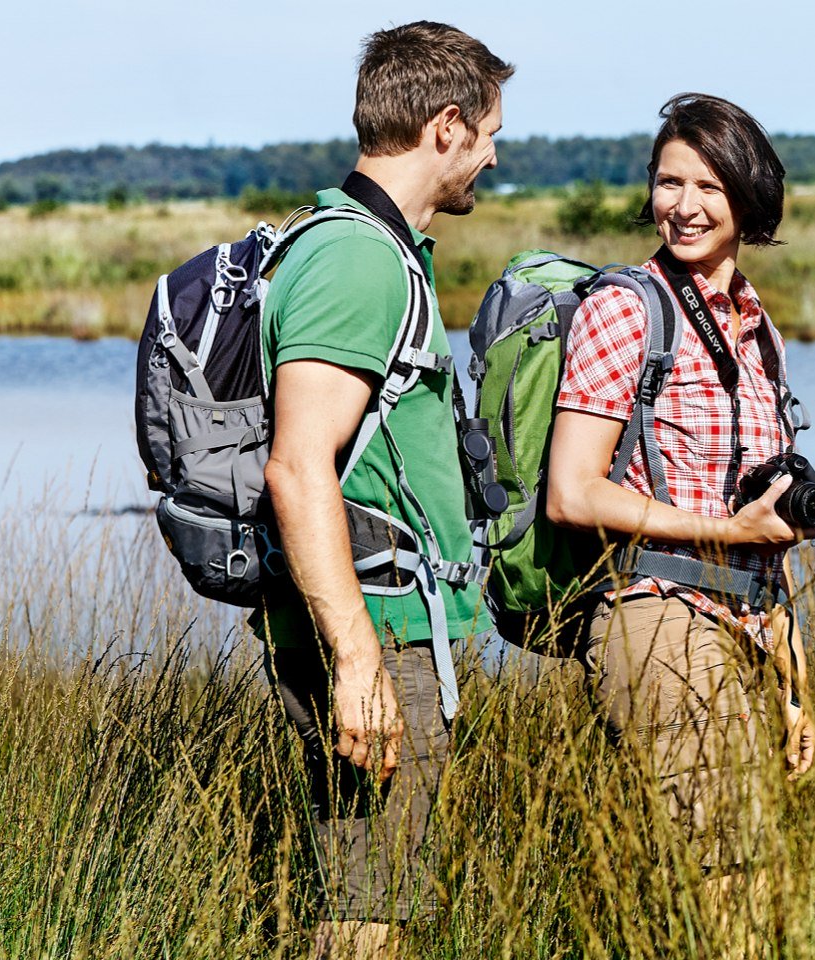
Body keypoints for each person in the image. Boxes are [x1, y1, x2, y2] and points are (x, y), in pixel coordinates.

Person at [256, 21, 510, 959]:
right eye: (487, 132)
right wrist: (358, 662)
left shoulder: (378, 247)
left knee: (378, 901)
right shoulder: (358, 257)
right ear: (447, 126)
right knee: (371, 916)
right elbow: (296, 465)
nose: (491, 155)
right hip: (382, 633)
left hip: (396, 628)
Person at [545, 93, 815, 907]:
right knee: (734, 874)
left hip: (746, 620)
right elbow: (571, 492)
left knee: (740, 870)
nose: (684, 206)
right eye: (669, 183)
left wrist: (796, 682)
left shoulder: (757, 328)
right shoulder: (626, 308)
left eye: (709, 186)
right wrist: (720, 529)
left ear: (750, 197)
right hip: (655, 610)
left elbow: (768, 523)